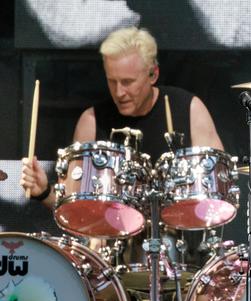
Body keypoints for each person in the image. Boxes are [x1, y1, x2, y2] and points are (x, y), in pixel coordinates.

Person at [20, 26, 224, 207]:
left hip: (179, 242)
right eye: (112, 81)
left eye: (127, 82)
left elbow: (218, 190)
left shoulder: (189, 110)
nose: (119, 92)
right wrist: (45, 191)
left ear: (153, 74)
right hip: (114, 244)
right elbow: (75, 205)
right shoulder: (92, 121)